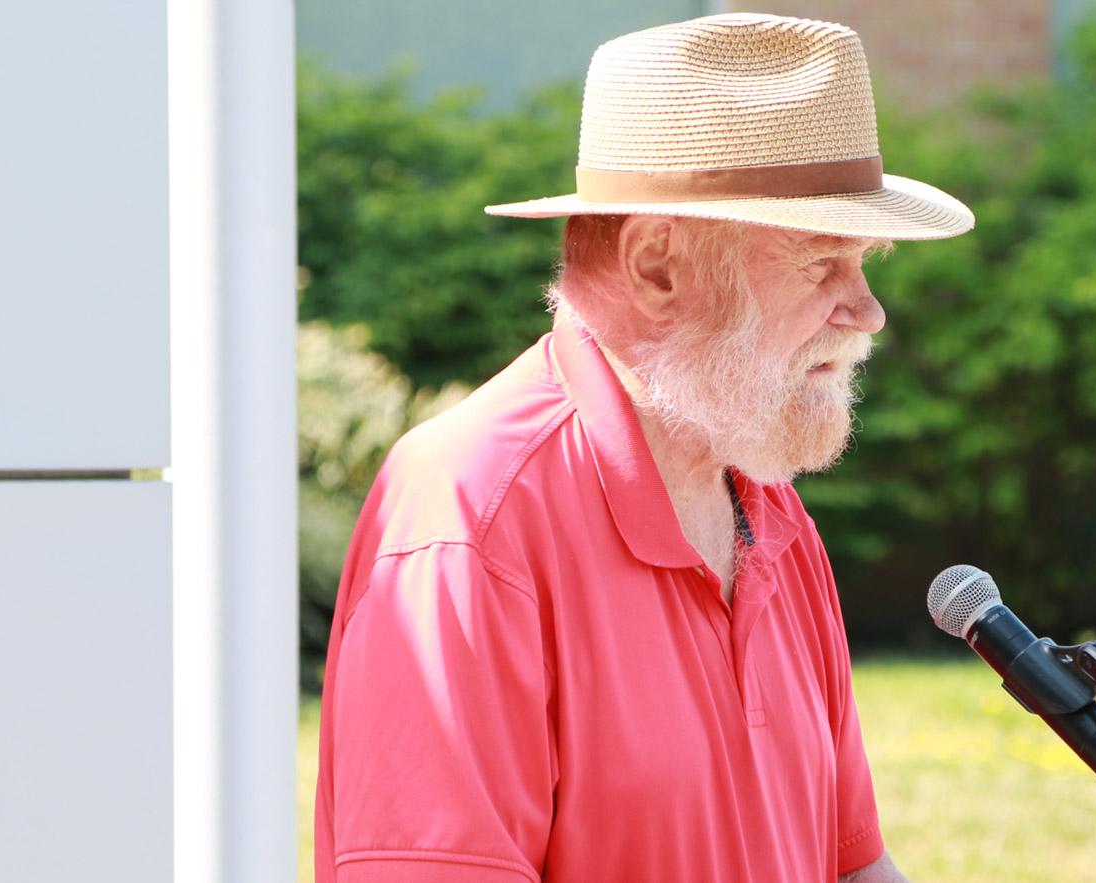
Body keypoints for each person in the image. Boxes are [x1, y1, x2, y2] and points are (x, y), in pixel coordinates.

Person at [311, 13, 974, 883]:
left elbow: (853, 866)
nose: (868, 311)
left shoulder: (765, 507)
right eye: (822, 265)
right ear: (659, 264)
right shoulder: (472, 515)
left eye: (865, 264)